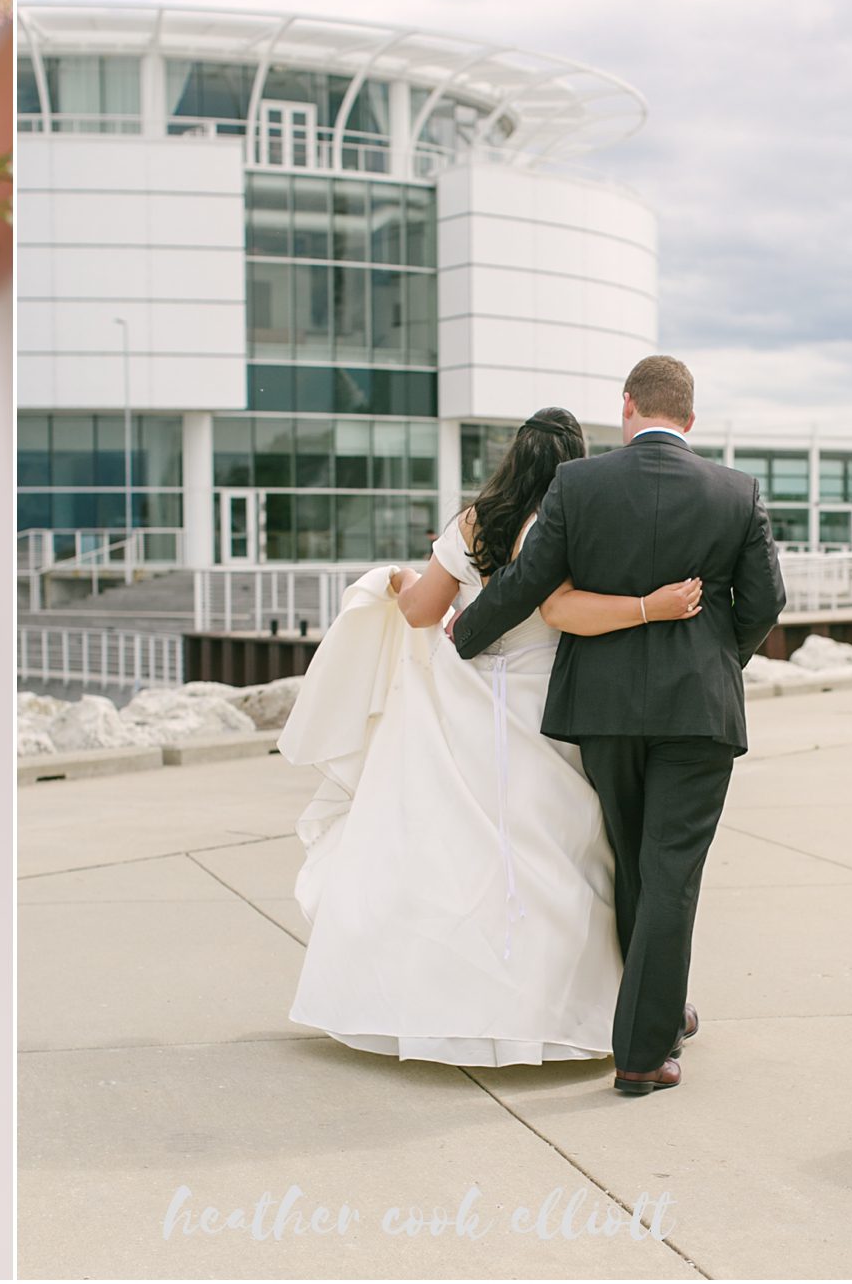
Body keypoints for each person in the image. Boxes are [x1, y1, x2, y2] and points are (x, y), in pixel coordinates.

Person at [283, 406, 704, 1068]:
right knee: (567, 850)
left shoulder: (475, 520)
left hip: (464, 700)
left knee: (451, 851)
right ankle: (602, 1007)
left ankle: (437, 1001)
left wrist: (395, 579)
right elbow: (568, 612)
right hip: (546, 701)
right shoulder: (576, 521)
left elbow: (424, 611)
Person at [452, 356, 786, 1094]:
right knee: (672, 874)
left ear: (628, 406)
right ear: (691, 419)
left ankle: (656, 1019)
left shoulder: (580, 483)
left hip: (602, 711)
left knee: (635, 865)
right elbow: (765, 603)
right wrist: (714, 657)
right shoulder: (737, 491)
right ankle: (644, 1050)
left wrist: (463, 636)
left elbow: (529, 580)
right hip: (698, 712)